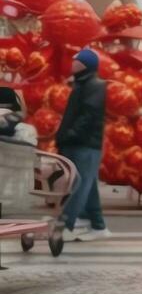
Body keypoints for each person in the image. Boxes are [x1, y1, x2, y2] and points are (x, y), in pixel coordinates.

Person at [53, 49, 109, 241]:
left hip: (84, 144)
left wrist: (69, 135)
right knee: (87, 183)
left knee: (79, 184)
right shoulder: (81, 84)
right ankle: (98, 225)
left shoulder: (95, 85)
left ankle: (66, 225)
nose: (73, 63)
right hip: (76, 143)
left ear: (85, 65)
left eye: (77, 61)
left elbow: (88, 116)